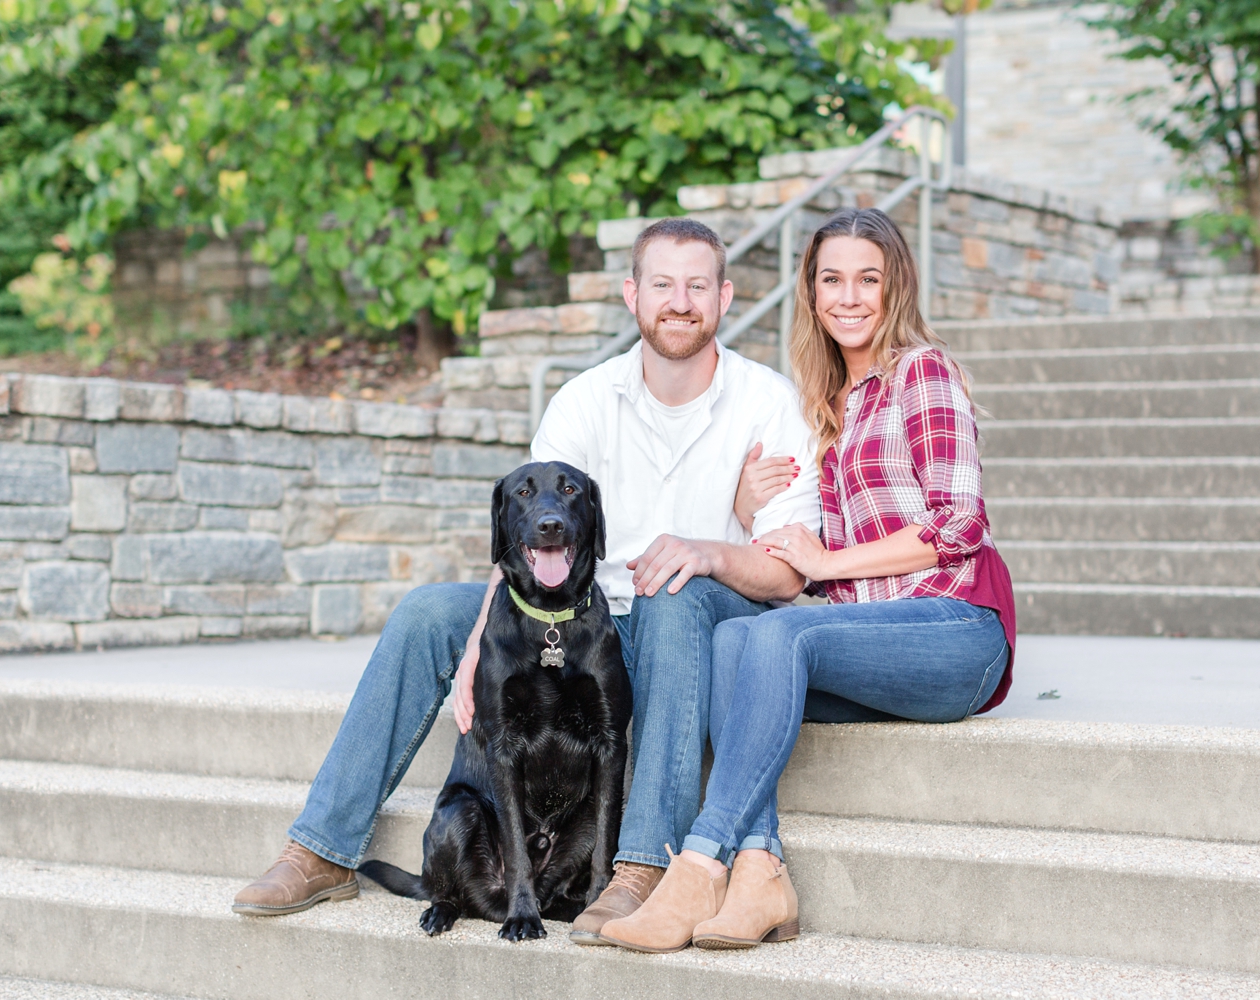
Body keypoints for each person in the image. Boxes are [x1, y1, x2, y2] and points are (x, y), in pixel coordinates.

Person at [231, 218, 824, 948]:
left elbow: (790, 570)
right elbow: (526, 536)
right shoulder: (583, 399)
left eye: (697, 285)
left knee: (672, 599)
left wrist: (708, 551)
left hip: (692, 622)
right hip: (574, 616)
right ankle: (322, 847)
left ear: (725, 296)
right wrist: (483, 635)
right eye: (662, 284)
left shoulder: (771, 405)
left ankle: (632, 871)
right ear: (632, 294)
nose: (680, 301)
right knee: (426, 614)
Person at [595, 207, 1016, 954]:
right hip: (863, 638)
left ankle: (699, 863)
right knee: (735, 639)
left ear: (896, 289)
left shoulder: (922, 371)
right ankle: (761, 873)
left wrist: (824, 566)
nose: (849, 297)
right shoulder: (822, 403)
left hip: (953, 629)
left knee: (774, 629)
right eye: (832, 280)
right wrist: (746, 506)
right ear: (811, 292)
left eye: (868, 279)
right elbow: (795, 537)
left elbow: (959, 524)